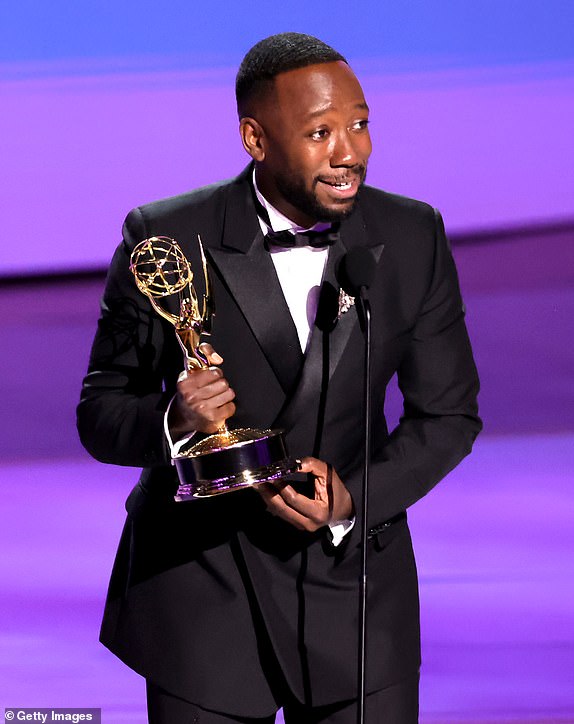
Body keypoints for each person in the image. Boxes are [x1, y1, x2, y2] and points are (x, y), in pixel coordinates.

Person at [78, 32, 481, 723]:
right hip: (203, 599)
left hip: (356, 597)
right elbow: (101, 412)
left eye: (359, 124)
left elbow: (448, 415)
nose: (350, 152)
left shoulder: (413, 234)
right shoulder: (166, 239)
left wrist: (352, 497)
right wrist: (176, 422)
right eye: (320, 131)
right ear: (255, 139)